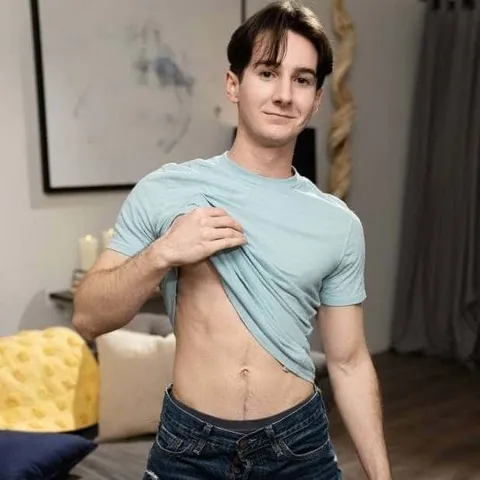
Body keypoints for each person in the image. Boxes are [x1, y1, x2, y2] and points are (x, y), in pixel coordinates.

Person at [73, 1, 392, 478]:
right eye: (267, 72)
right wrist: (162, 254)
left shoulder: (338, 224)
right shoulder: (166, 190)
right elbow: (88, 316)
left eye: (302, 80)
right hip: (188, 449)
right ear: (233, 84)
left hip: (298, 449)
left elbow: (348, 362)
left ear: (316, 99)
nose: (284, 94)